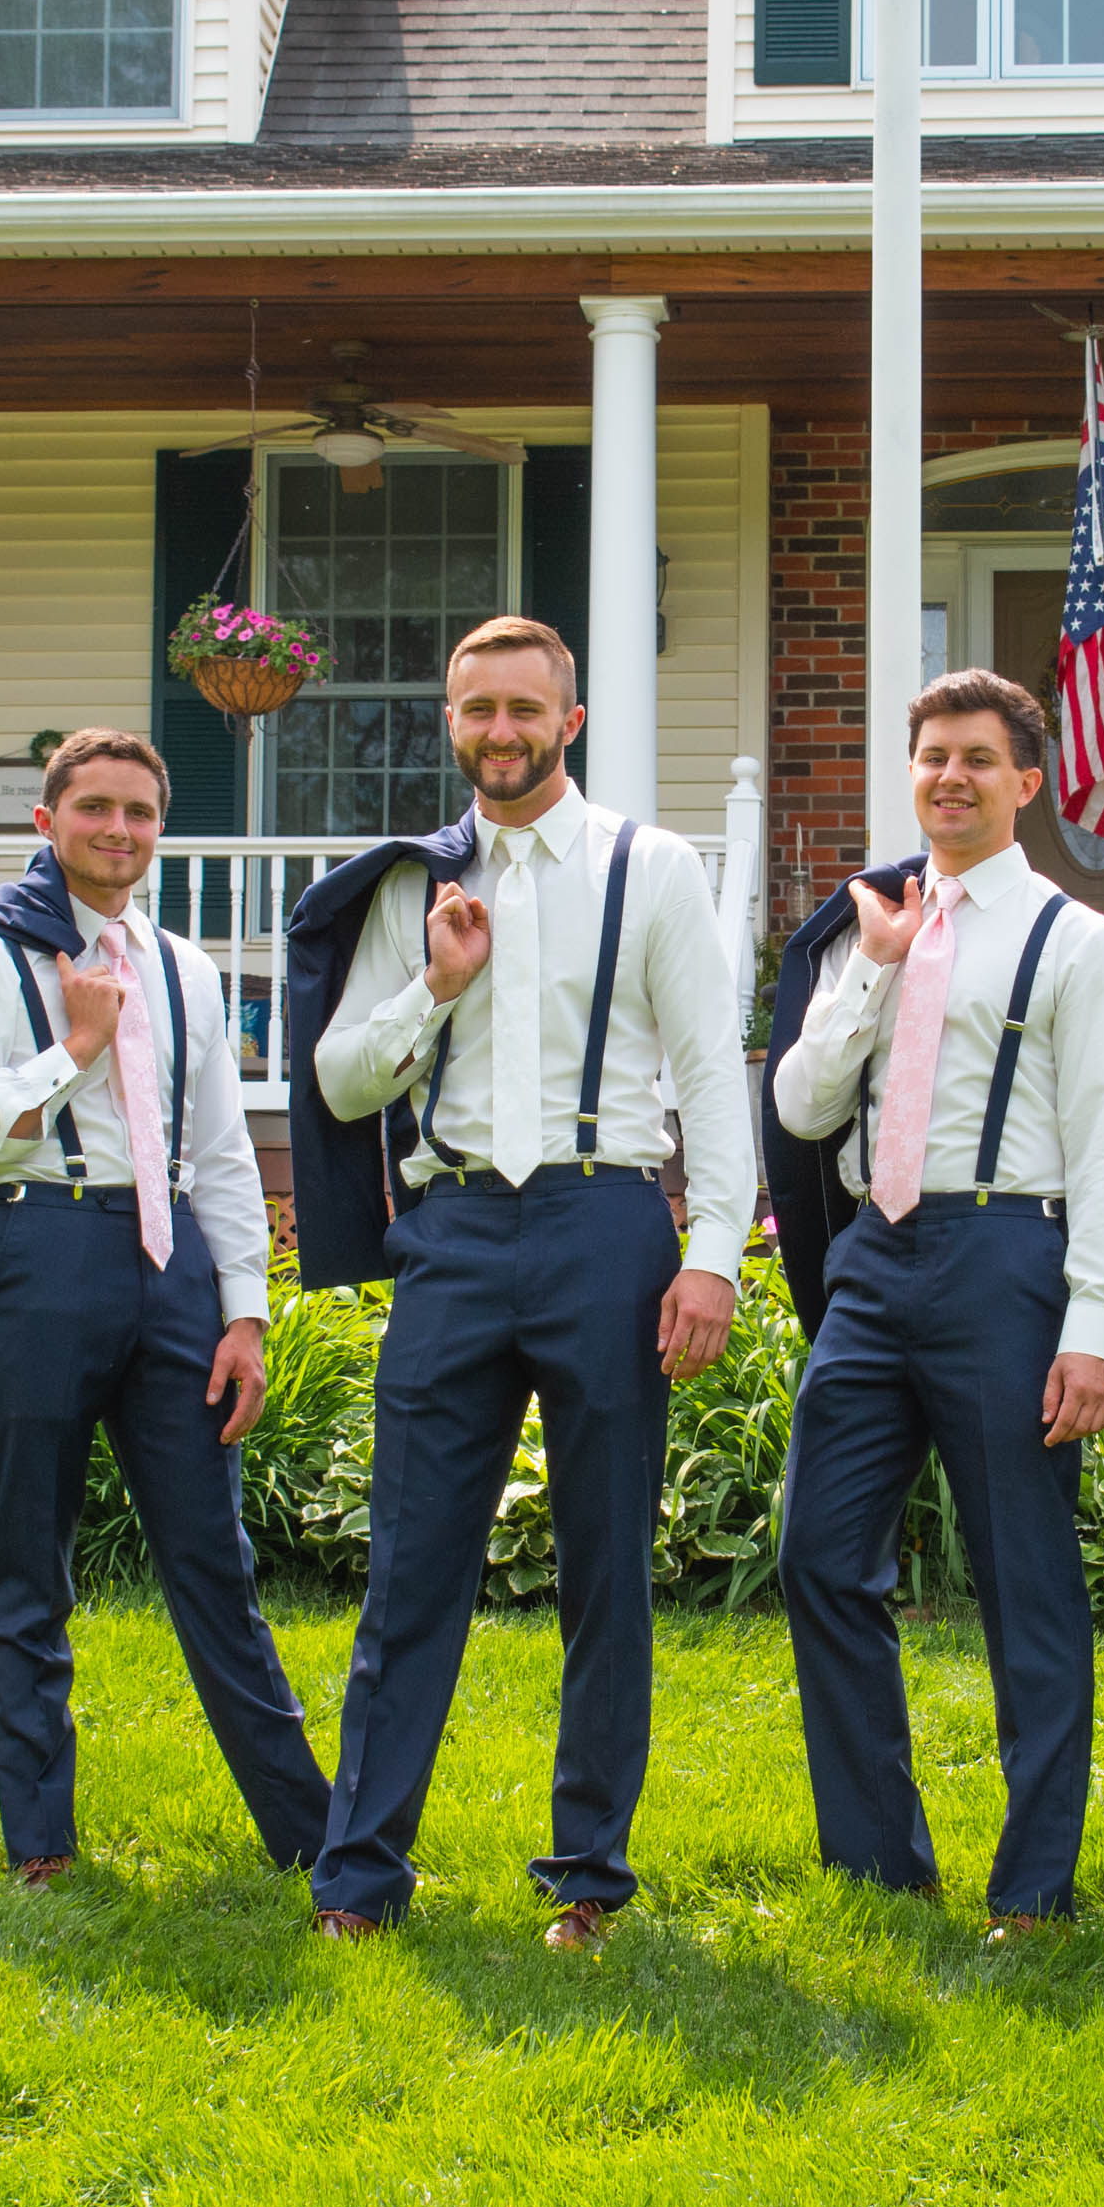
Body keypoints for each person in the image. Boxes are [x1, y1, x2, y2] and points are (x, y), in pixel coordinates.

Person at [286, 616, 755, 1948]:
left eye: (524, 708)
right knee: (411, 1562)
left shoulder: (650, 867)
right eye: (477, 708)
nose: (501, 730)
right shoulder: (412, 887)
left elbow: (710, 1068)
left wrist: (714, 1252)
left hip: (606, 1224)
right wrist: (434, 987)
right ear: (452, 722)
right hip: (451, 1234)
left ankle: (588, 1875)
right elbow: (340, 1081)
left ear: (570, 721)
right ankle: (358, 1877)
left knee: (606, 1564)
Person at [0, 727, 325, 1882]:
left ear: (158, 829)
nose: (116, 830)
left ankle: (311, 1838)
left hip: (170, 1266)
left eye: (138, 811)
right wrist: (72, 1048)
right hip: (34, 1255)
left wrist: (244, 1315)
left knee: (216, 1562)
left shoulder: (181, 967)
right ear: (47, 821)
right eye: (93, 808)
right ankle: (40, 1845)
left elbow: (220, 1151)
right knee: (30, 1560)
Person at [757, 672, 1104, 1936]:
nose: (950, 778)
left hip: (1005, 1256)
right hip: (875, 1258)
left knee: (1025, 1577)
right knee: (818, 1554)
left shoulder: (1078, 941)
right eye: (932, 757)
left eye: (977, 758)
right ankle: (877, 1857)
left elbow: (1101, 1148)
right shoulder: (867, 927)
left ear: (1025, 782)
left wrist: (1092, 1327)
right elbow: (801, 1107)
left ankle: (1034, 1885)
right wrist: (872, 968)